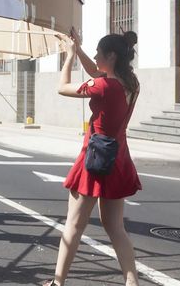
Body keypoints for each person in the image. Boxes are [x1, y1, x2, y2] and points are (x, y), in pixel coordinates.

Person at [43, 30, 141, 286]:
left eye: (99, 53)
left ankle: (58, 282)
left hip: (95, 158)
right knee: (115, 227)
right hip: (118, 157)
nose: (96, 57)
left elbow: (63, 87)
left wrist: (70, 56)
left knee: (74, 224)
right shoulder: (131, 83)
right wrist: (81, 50)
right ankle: (133, 282)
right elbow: (97, 73)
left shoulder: (103, 87)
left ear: (111, 56)